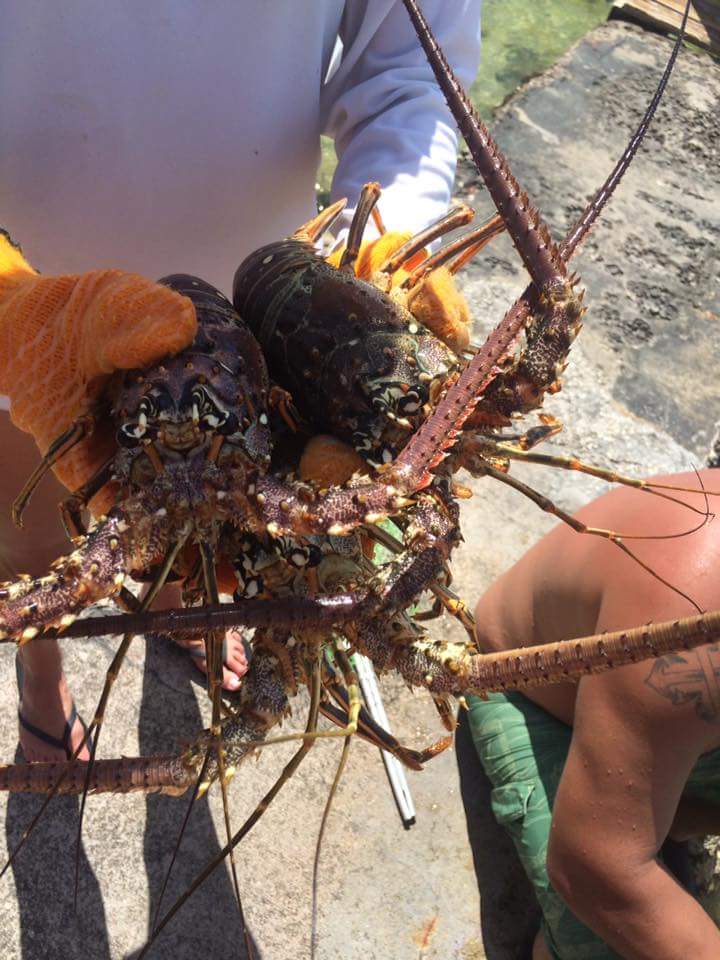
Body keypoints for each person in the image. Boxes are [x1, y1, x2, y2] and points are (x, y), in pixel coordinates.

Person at [0, 2, 481, 761]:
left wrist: (385, 254)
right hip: (36, 313)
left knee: (194, 538)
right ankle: (40, 674)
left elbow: (408, 68)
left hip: (262, 309)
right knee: (30, 529)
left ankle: (189, 610)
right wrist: (7, 293)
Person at [468, 468, 720, 959]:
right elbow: (595, 869)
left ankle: (671, 809)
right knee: (618, 942)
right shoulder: (690, 626)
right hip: (538, 698)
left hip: (676, 721)